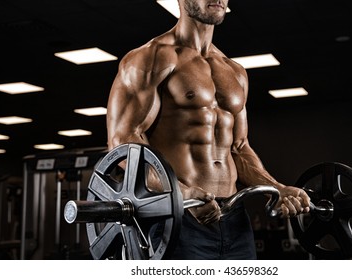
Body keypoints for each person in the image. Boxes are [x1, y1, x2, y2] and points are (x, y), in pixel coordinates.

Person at [106, 0, 310, 259]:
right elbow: (122, 143)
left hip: (234, 219)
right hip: (178, 217)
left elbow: (239, 147)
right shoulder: (151, 58)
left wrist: (276, 187)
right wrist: (183, 194)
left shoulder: (235, 71)